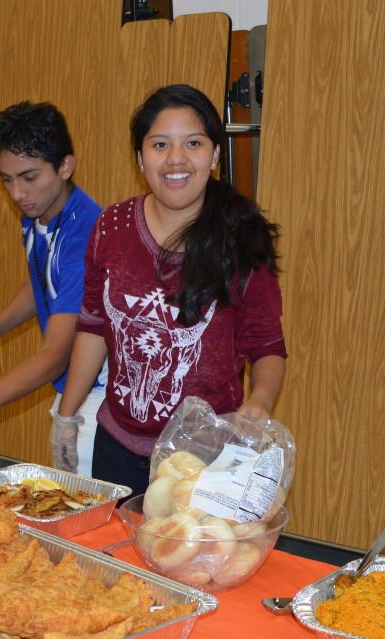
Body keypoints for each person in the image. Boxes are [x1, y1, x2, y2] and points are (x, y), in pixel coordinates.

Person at [54, 84, 288, 497]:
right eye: (160, 144)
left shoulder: (242, 239)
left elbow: (267, 344)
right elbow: (93, 324)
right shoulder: (112, 228)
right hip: (118, 446)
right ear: (140, 157)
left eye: (193, 143)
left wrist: (261, 401)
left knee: (192, 560)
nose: (176, 159)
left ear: (215, 155)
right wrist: (67, 417)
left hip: (205, 459)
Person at [0, 101, 105, 475]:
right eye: (7, 180)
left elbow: (59, 353)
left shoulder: (84, 235)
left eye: (29, 177)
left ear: (65, 166)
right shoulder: (42, 211)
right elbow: (43, 281)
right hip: (76, 389)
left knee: (87, 516)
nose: (17, 193)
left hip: (102, 397)